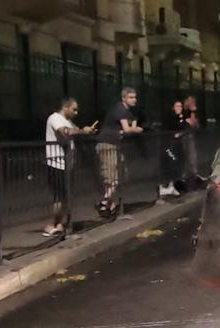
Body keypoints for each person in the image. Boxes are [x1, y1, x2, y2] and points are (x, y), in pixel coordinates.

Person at [43, 97, 97, 236]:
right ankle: (52, 225)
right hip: (57, 164)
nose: (76, 112)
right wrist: (82, 131)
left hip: (67, 164)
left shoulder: (68, 121)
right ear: (65, 107)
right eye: (74, 109)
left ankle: (60, 223)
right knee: (59, 196)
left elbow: (75, 129)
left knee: (65, 196)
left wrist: (86, 130)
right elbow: (64, 131)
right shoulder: (54, 118)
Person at [97, 87, 144, 217]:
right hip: (107, 144)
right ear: (124, 98)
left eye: (135, 97)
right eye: (131, 97)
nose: (134, 100)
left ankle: (108, 202)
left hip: (116, 145)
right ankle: (104, 202)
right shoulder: (120, 109)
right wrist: (137, 129)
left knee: (121, 173)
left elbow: (129, 128)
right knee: (112, 176)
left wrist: (132, 128)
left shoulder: (130, 112)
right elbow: (128, 129)